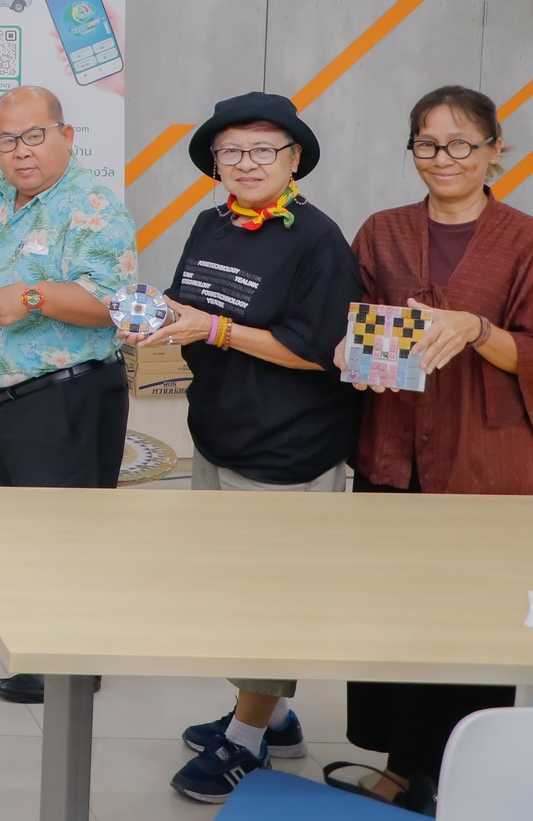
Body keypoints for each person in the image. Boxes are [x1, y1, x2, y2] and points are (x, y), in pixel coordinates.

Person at [125, 93, 362, 804]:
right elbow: (190, 304)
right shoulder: (212, 222)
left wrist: (215, 330)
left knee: (271, 597)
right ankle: (275, 715)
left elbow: (318, 350)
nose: (247, 163)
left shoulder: (318, 240)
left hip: (288, 445)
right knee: (232, 588)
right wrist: (151, 314)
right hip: (220, 430)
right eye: (232, 150)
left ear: (294, 159)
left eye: (264, 150)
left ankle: (247, 739)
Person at [329, 86, 533, 811]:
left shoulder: (531, 240)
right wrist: (348, 348)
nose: (443, 158)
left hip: (487, 464)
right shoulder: (381, 231)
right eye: (426, 143)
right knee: (391, 612)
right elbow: (356, 322)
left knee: (469, 625)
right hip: (393, 452)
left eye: (460, 143)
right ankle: (402, 768)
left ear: (495, 149)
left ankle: (462, 772)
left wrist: (476, 330)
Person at [0, 85, 136, 704]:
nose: (21, 151)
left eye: (34, 136)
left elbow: (113, 305)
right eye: (7, 140)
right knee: (15, 528)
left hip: (67, 397)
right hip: (5, 396)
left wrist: (32, 296)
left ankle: (67, 665)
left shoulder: (93, 207)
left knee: (63, 539)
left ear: (66, 135)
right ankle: (17, 624)